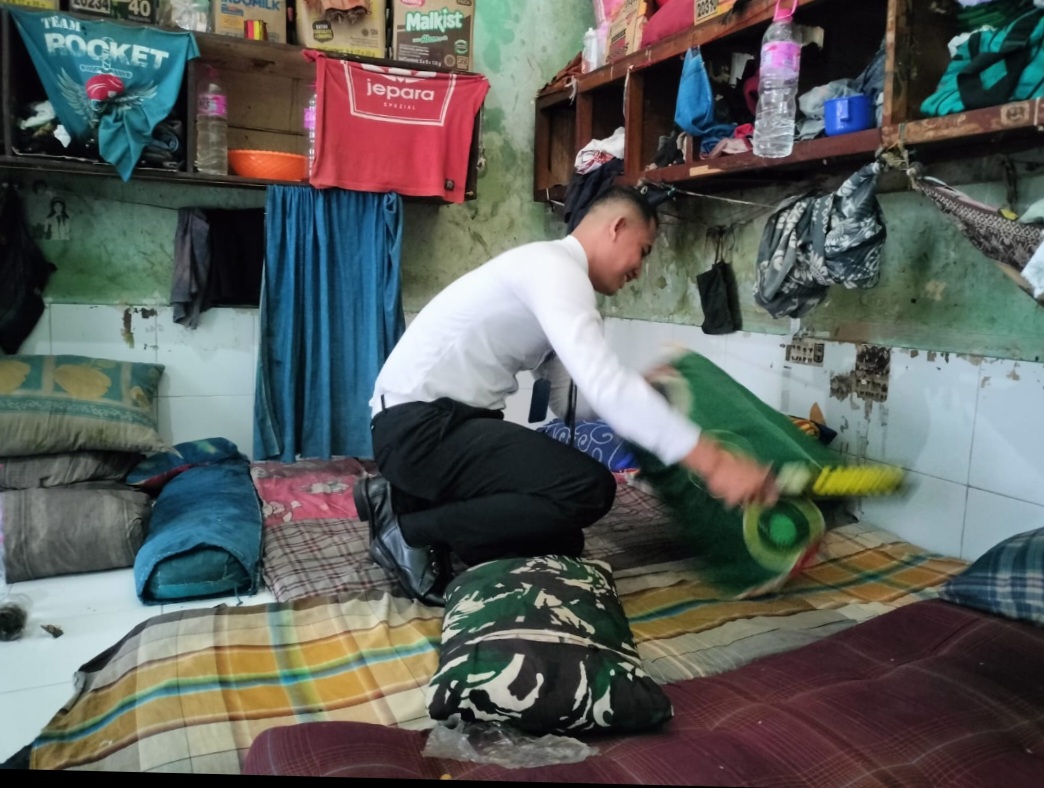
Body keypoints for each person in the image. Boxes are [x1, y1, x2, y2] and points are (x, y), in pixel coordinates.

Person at [354, 186, 779, 606]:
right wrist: (714, 462)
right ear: (617, 227)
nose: (639, 270)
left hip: (432, 430)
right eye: (644, 251)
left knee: (562, 541)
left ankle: (406, 499)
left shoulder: (553, 278)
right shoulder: (554, 269)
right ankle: (410, 531)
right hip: (420, 428)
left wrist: (645, 390)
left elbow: (573, 402)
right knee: (588, 490)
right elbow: (607, 389)